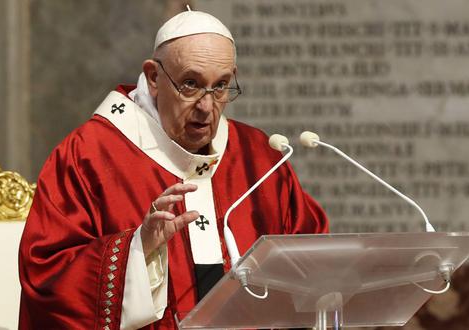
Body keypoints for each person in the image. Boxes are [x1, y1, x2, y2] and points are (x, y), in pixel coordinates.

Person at [18, 9, 328, 330]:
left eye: (220, 86)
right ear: (154, 78)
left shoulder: (258, 156)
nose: (207, 107)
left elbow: (313, 262)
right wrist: (138, 249)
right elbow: (48, 277)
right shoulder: (89, 155)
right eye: (190, 85)